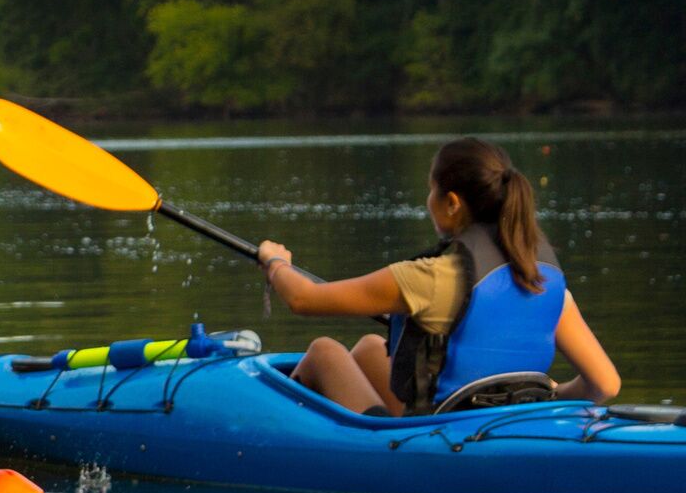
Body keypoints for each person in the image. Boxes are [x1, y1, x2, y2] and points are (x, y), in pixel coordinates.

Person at [251, 137, 620, 416]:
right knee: (367, 348)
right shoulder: (545, 279)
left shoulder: (431, 277)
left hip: (440, 435)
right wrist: (546, 397)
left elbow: (303, 299)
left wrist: (275, 262)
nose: (428, 200)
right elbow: (605, 383)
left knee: (324, 352)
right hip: (504, 427)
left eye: (431, 190)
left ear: (452, 203)